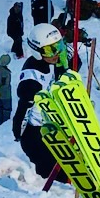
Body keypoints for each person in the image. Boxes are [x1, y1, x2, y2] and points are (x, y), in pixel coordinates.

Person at [12, 24, 67, 179]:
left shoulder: (50, 61)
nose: (56, 53)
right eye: (51, 50)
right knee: (52, 172)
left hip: (52, 126)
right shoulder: (32, 80)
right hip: (37, 135)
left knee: (65, 164)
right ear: (37, 51)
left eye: (59, 46)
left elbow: (61, 70)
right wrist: (18, 131)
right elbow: (23, 109)